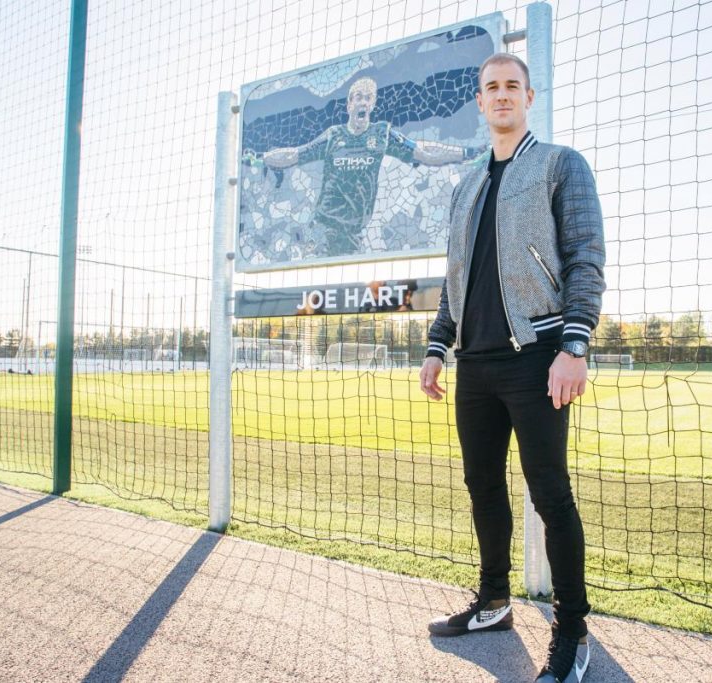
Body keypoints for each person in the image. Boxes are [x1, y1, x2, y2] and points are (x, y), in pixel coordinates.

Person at [419, 52, 605, 683]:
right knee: (482, 486)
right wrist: (437, 344)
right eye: (491, 88)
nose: (501, 96)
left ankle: (572, 631)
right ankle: (494, 601)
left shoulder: (560, 165)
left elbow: (585, 257)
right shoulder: (465, 186)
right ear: (480, 101)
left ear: (531, 96)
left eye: (512, 87)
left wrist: (574, 345)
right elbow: (455, 279)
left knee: (551, 493)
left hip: (539, 357)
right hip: (475, 364)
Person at [247, 76, 486, 258]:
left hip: (354, 232)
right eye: (358, 97)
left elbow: (423, 152)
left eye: (368, 97)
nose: (363, 101)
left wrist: (467, 153)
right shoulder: (334, 136)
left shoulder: (381, 134)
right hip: (323, 226)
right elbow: (294, 155)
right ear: (349, 104)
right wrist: (261, 158)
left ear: (372, 104)